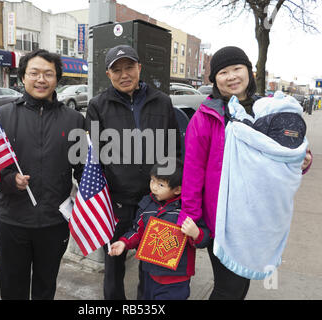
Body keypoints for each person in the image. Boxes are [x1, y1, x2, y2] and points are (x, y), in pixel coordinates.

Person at [177, 46, 313, 300]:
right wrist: (192, 216)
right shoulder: (206, 117)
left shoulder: (269, 110)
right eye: (223, 72)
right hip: (221, 219)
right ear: (214, 79)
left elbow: (287, 148)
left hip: (258, 218)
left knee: (240, 286)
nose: (231, 76)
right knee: (228, 289)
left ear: (248, 72)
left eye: (237, 69)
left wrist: (304, 161)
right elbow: (193, 170)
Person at [85, 44, 181, 300]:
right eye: (117, 70)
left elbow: (174, 150)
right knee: (114, 265)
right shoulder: (98, 106)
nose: (124, 74)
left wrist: (172, 192)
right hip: (116, 203)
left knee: (153, 267)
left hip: (157, 202)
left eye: (129, 67)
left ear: (140, 67)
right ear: (108, 74)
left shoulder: (162, 101)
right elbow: (93, 156)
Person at [0, 49, 85, 300]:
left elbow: (82, 168)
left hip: (53, 223)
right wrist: (11, 180)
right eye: (34, 73)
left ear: (57, 79)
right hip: (13, 221)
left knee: (46, 287)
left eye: (48, 74)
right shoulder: (2, 117)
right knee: (13, 288)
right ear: (23, 77)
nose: (41, 79)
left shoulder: (74, 120)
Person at [109, 159, 210, 300]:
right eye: (152, 181)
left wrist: (196, 233)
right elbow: (137, 230)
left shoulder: (187, 210)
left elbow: (203, 239)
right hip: (149, 274)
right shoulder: (147, 205)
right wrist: (124, 243)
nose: (154, 187)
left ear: (178, 189)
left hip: (175, 279)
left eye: (161, 184)